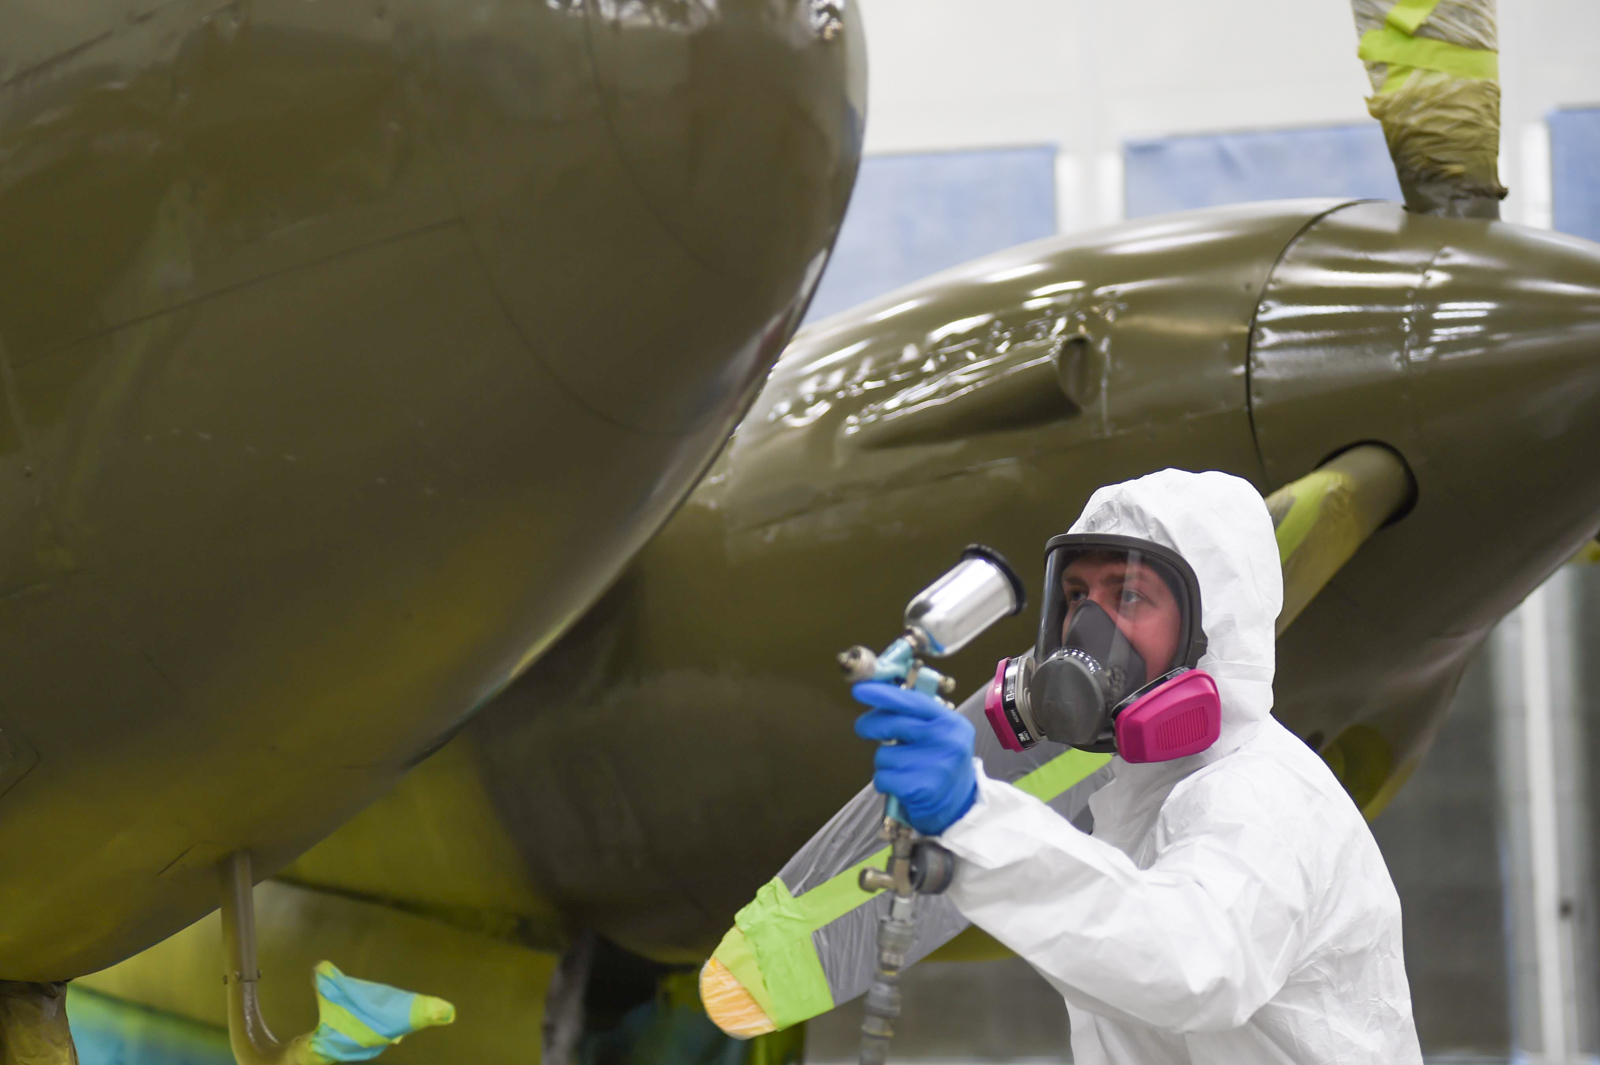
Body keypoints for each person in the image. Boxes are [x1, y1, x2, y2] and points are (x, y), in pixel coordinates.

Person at [853, 469, 1423, 1064]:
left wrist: (975, 817)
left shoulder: (1263, 795)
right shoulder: (1142, 796)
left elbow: (1193, 966)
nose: (1085, 629)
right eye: (1077, 597)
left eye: (1128, 596)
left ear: (1210, 630)